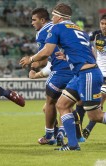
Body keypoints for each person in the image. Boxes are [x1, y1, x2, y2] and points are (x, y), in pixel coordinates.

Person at [20, 3, 105, 151]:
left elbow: (47, 51)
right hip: (81, 74)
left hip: (87, 75)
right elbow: (90, 53)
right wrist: (68, 56)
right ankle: (73, 145)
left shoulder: (57, 28)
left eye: (53, 15)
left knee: (95, 116)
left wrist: (30, 59)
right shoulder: (79, 30)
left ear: (59, 17)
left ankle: (60, 138)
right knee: (62, 105)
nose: (52, 18)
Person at [29, 8, 84, 146]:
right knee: (66, 105)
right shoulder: (72, 27)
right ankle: (72, 135)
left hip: (61, 71)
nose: (32, 23)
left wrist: (31, 62)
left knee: (51, 103)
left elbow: (45, 54)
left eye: (34, 20)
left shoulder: (44, 32)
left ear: (42, 20)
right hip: (77, 70)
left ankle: (50, 136)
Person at [82, 14, 106, 139]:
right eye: (102, 23)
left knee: (100, 100)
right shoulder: (96, 35)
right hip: (98, 74)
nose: (104, 26)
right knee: (95, 104)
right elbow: (83, 40)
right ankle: (85, 129)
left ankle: (88, 129)